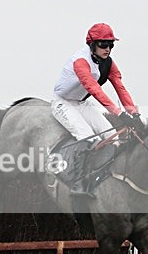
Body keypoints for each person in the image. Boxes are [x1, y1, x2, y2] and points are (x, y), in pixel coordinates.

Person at [50, 23, 142, 197]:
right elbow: (94, 89)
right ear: (92, 44)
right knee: (87, 137)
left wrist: (134, 113)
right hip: (63, 103)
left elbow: (120, 87)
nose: (108, 49)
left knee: (112, 137)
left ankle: (105, 179)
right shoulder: (80, 61)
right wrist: (119, 113)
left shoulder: (108, 63)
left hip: (81, 103)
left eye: (111, 45)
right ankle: (78, 183)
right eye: (103, 44)